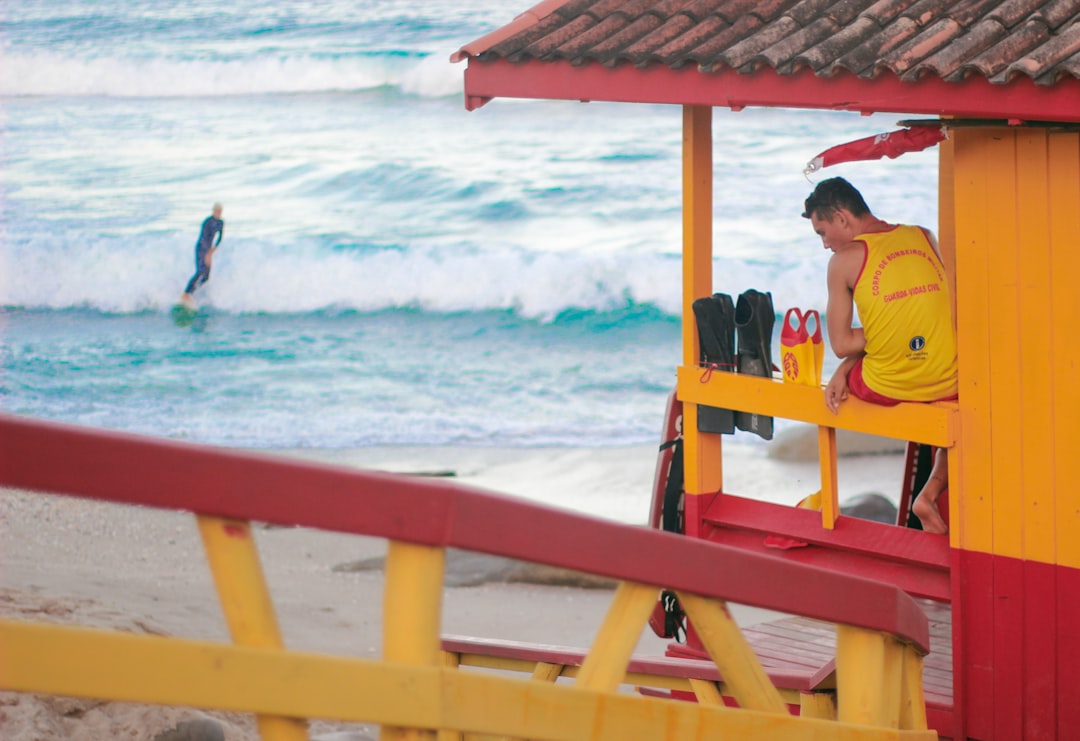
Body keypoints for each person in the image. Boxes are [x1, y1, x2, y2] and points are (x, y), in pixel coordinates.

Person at [802, 177, 957, 534]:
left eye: (822, 232)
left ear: (842, 217)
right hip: (948, 380)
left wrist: (846, 365)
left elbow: (841, 343)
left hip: (889, 385)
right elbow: (918, 317)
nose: (825, 244)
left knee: (849, 378)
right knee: (952, 404)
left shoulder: (844, 260)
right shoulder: (923, 236)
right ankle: (929, 492)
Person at [181, 203, 224, 301]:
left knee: (206, 277)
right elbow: (204, 239)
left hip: (209, 250)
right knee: (200, 272)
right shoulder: (207, 222)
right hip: (201, 248)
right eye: (216, 211)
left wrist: (214, 249)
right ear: (213, 211)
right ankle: (186, 294)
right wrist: (207, 254)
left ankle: (192, 293)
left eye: (219, 211)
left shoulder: (221, 223)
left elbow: (220, 238)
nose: (217, 213)